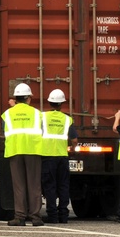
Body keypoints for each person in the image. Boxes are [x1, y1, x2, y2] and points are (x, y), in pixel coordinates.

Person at [2, 83, 44, 226]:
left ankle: (19, 217)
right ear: (28, 98)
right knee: (34, 184)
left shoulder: (7, 114)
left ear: (16, 98)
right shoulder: (37, 113)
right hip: (33, 150)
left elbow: (4, 132)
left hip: (15, 151)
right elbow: (42, 131)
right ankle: (36, 217)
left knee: (19, 185)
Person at [40, 89, 78, 223]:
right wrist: (72, 149)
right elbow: (74, 140)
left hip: (47, 156)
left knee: (50, 186)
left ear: (49, 102)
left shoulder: (42, 117)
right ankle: (63, 215)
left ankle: (52, 216)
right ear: (62, 104)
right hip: (62, 157)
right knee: (63, 186)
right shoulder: (68, 119)